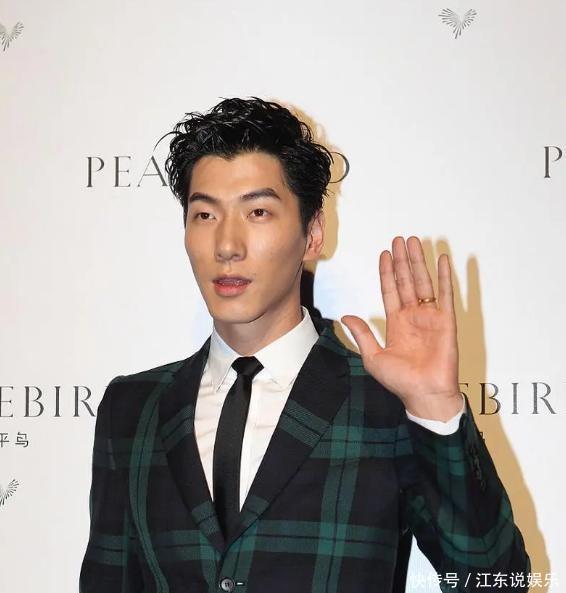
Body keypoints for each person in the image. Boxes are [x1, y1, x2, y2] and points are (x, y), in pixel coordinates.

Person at [79, 97, 530, 593]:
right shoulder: (133, 409)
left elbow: (495, 582)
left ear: (312, 233)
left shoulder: (385, 403)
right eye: (204, 215)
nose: (227, 246)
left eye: (258, 212)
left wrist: (435, 407)